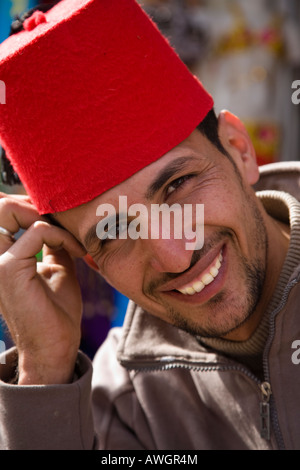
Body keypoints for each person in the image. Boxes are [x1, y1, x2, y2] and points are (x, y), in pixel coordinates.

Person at [0, 0, 299, 450]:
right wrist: (44, 370)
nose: (175, 254)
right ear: (92, 264)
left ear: (240, 150)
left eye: (178, 185)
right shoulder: (126, 401)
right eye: (114, 231)